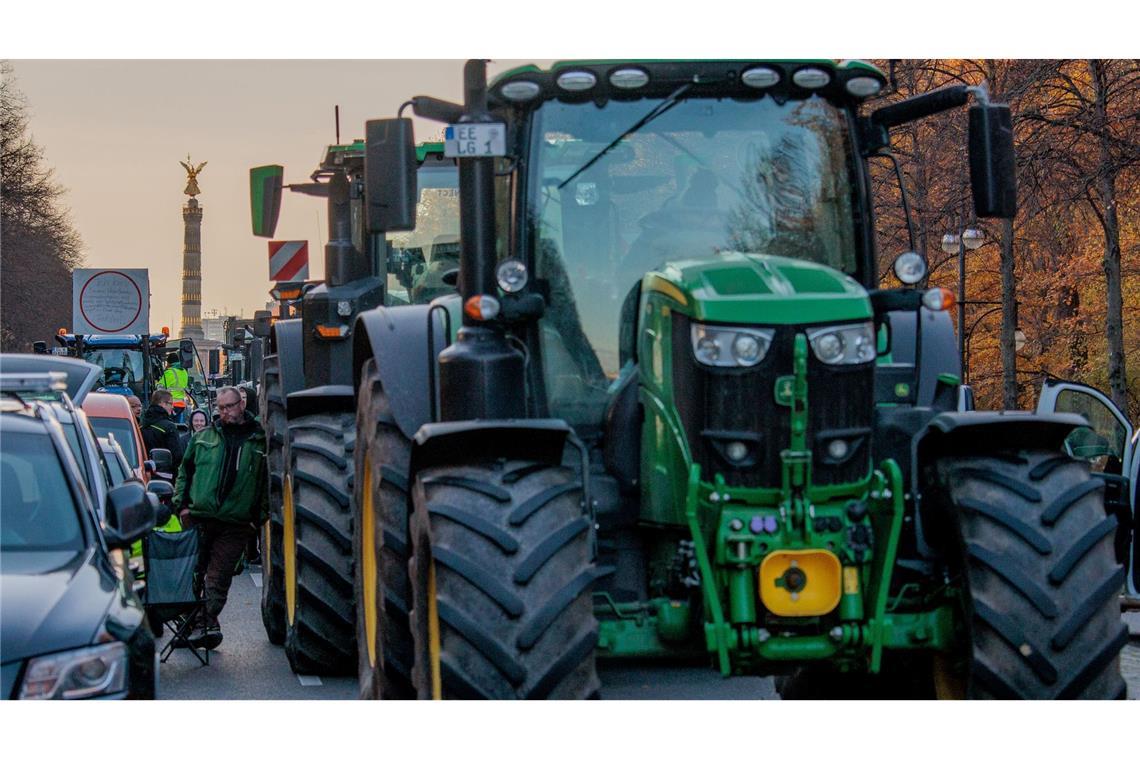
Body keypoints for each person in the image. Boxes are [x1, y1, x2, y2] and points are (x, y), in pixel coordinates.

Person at [174, 386, 267, 649]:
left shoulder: (258, 440)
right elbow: (185, 471)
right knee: (194, 572)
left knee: (218, 577)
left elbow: (265, 484)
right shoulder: (205, 438)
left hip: (236, 523)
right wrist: (181, 506)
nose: (224, 412)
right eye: (220, 407)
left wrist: (256, 519)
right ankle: (195, 624)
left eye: (228, 406)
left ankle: (204, 622)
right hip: (199, 517)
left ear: (241, 405)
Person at [140, 389, 184, 472]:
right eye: (170, 403)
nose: (172, 407)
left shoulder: (142, 424)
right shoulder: (169, 427)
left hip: (144, 471)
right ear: (163, 404)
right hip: (165, 474)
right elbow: (177, 456)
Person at [157, 352, 190, 423]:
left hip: (171, 405)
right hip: (181, 405)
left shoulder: (169, 372)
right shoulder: (184, 371)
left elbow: (159, 388)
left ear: (169, 363)